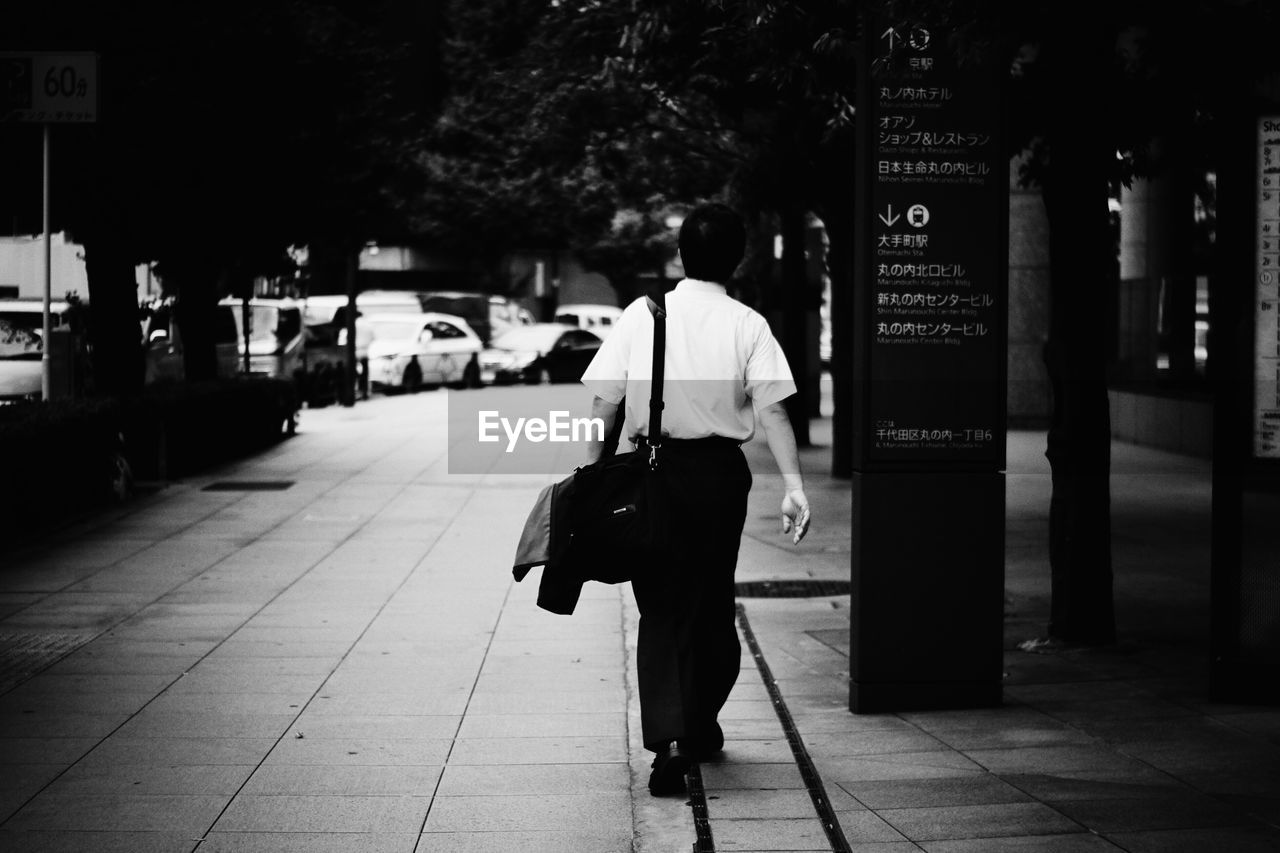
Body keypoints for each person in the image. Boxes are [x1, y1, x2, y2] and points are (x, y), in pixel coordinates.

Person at [580, 202, 812, 796]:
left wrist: (590, 477)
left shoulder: (644, 316)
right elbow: (774, 410)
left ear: (681, 254)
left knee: (662, 606)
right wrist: (793, 486)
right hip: (719, 480)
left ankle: (672, 740)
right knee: (711, 602)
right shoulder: (748, 323)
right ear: (738, 258)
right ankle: (700, 720)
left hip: (654, 474)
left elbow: (606, 403)